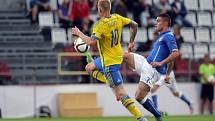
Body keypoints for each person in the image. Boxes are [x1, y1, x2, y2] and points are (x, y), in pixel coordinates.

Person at [72, 0, 147, 121]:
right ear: (110, 7)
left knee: (121, 94)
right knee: (89, 67)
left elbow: (91, 42)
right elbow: (135, 25)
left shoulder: (100, 25)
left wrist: (79, 33)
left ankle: (141, 118)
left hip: (110, 64)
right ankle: (110, 82)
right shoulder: (117, 17)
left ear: (99, 9)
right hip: (113, 57)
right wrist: (131, 42)